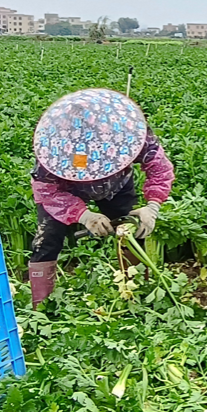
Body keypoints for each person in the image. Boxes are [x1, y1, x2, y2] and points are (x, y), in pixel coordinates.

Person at [27, 88, 175, 306]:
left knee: (131, 230)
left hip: (117, 186)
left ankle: (134, 293)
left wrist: (152, 206)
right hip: (67, 189)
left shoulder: (132, 132)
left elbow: (160, 170)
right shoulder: (54, 146)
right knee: (46, 240)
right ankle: (41, 305)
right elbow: (47, 191)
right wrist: (84, 216)